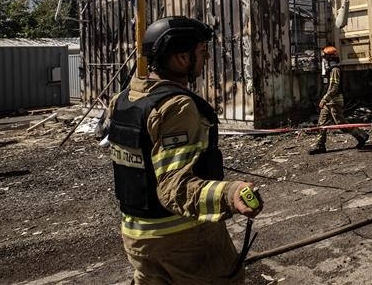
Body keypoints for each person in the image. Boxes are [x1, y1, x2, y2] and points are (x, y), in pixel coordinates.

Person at [107, 16, 262, 284]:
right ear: (181, 58)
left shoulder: (122, 100)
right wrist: (230, 193)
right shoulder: (176, 107)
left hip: (137, 238)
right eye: (201, 52)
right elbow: (173, 188)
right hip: (182, 239)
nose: (205, 59)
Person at [308, 45, 369, 154]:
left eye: (325, 57)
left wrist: (324, 99)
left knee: (341, 124)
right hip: (329, 102)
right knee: (322, 124)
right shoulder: (330, 70)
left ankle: (361, 136)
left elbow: (334, 88)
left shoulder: (335, 69)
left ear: (331, 57)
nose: (324, 59)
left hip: (334, 101)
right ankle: (320, 145)